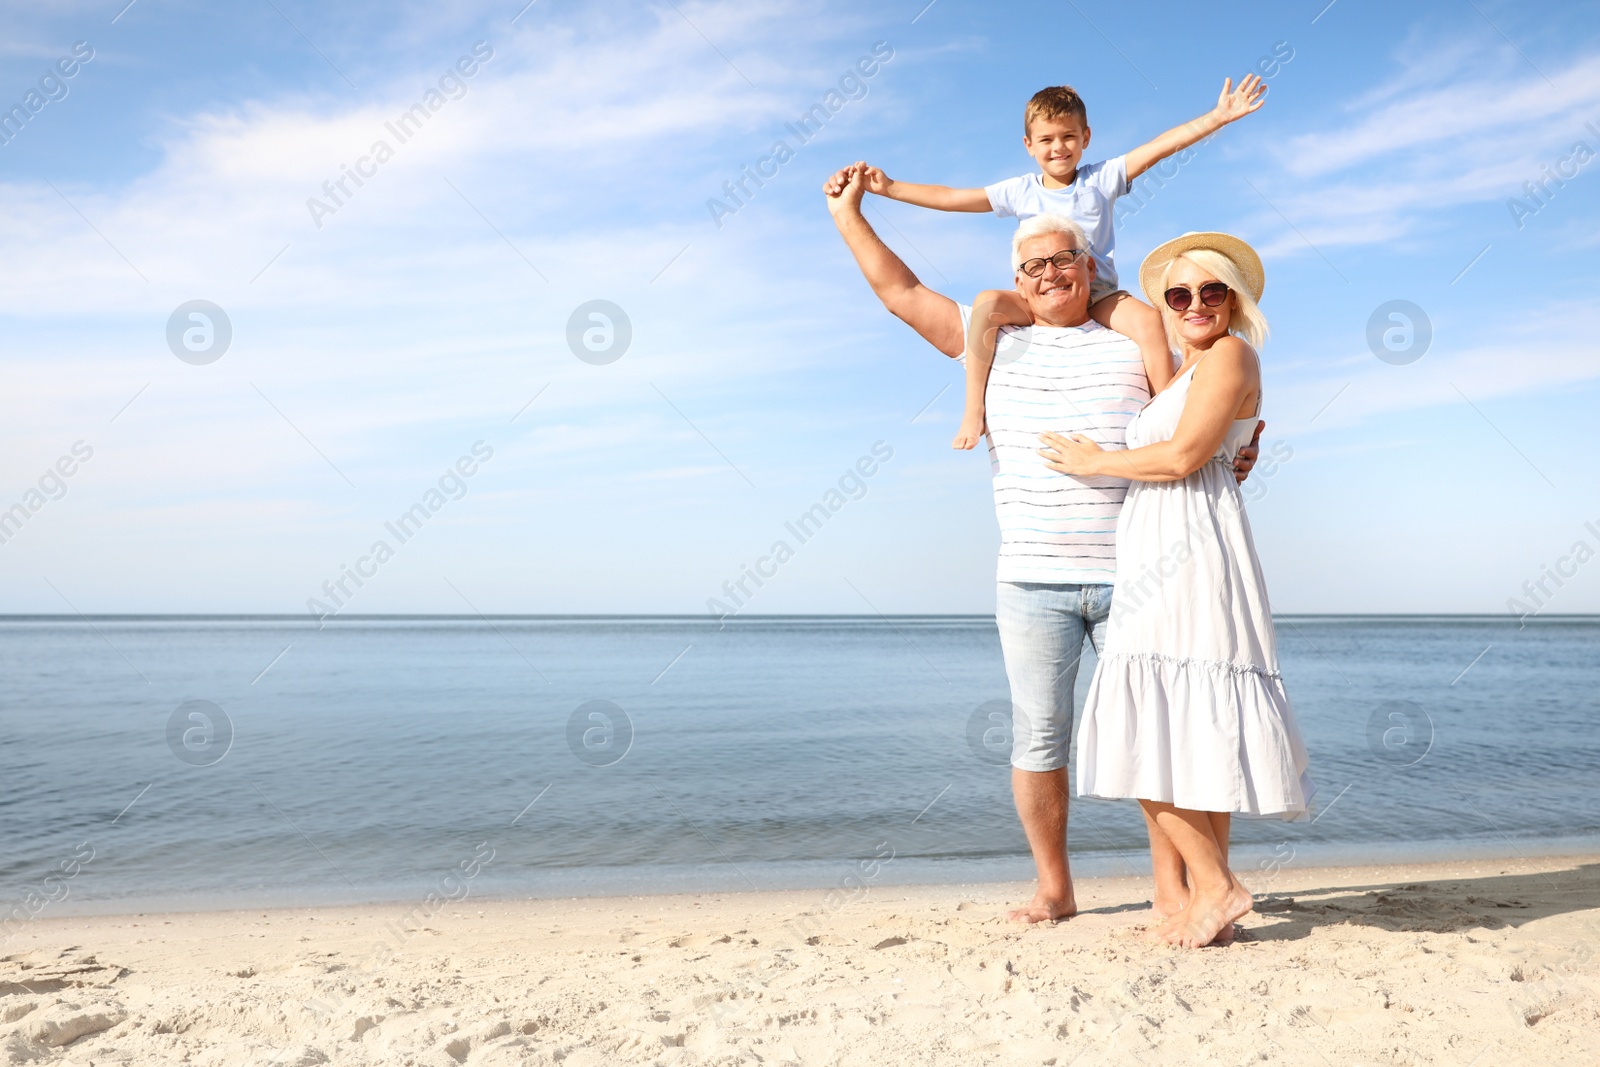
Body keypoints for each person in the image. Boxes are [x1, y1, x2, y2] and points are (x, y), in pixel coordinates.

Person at [823, 167, 1262, 923]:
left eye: (1065, 260)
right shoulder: (988, 338)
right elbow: (898, 291)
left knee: (1156, 728)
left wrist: (1247, 441)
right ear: (1016, 278)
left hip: (1140, 573)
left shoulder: (1134, 335)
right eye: (1034, 265)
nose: (1050, 273)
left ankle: (1177, 894)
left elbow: (1210, 401)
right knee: (1038, 739)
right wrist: (849, 213)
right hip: (1030, 580)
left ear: (1090, 268)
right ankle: (1055, 889)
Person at [1037, 232, 1313, 948]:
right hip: (1172, 538)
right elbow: (1207, 443)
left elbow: (1188, 455)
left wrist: (1099, 460)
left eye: (1211, 292)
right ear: (1165, 303)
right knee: (1190, 723)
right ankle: (1203, 899)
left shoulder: (1230, 354)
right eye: (1180, 294)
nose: (1194, 304)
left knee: (1143, 718)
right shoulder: (1192, 368)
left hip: (1190, 544)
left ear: (1233, 300)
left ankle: (1217, 886)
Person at [823, 76, 1269, 451]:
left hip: (1101, 297)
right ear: (1029, 145)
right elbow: (955, 198)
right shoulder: (1020, 191)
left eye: (1069, 137)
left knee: (1151, 322)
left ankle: (1165, 412)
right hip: (1040, 302)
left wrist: (1217, 117)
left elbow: (1159, 148)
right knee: (986, 305)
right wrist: (890, 187)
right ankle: (973, 407)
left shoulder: (1101, 178)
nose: (1059, 148)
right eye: (1047, 140)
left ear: (1086, 138)